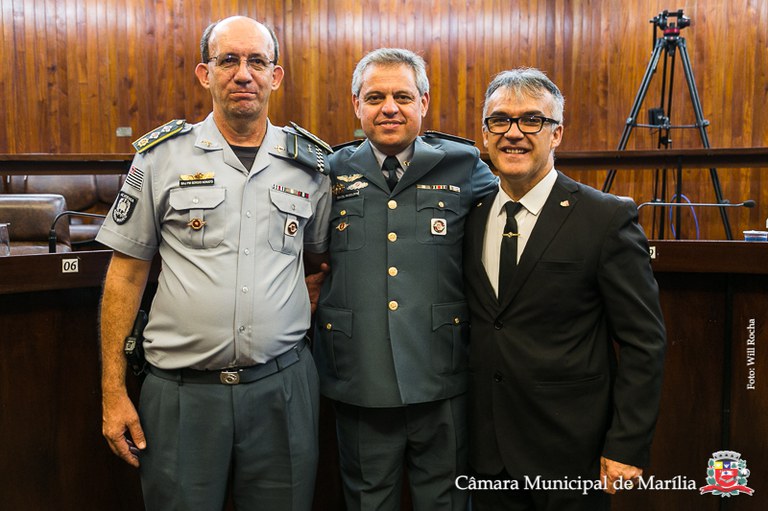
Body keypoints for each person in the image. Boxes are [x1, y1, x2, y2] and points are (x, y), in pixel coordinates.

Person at [97, 16, 332, 511]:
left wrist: (301, 295)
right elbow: (126, 273)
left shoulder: (310, 165)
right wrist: (112, 389)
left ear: (275, 75)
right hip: (182, 395)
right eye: (228, 60)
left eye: (257, 62)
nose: (243, 74)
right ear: (205, 73)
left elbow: (319, 258)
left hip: (282, 391)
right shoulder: (160, 158)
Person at [462, 67, 666, 510]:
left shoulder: (605, 218)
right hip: (484, 453)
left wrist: (627, 443)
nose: (514, 133)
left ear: (556, 133)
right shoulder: (470, 215)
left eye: (532, 120)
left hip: (570, 453)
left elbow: (643, 340)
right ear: (485, 133)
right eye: (500, 120)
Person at [313, 48, 497, 510]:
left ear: (424, 102)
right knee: (368, 501)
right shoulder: (329, 171)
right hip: (360, 373)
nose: (389, 108)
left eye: (403, 96)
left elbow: (517, 210)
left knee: (446, 502)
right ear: (356, 104)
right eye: (375, 97)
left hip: (441, 370)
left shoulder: (463, 164)